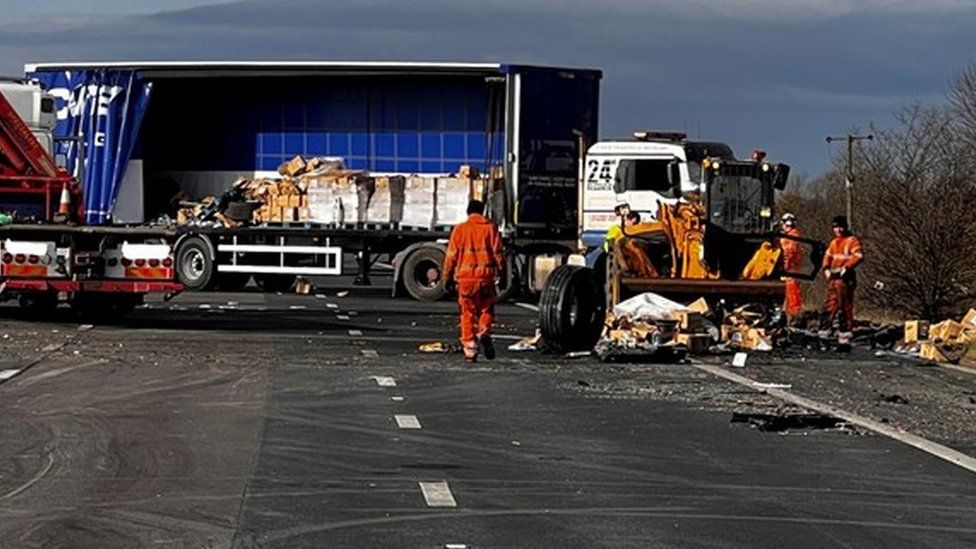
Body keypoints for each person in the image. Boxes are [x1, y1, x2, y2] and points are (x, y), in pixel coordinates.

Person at [441, 200, 505, 362]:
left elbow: (451, 256)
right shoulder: (491, 229)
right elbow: (498, 254)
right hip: (486, 278)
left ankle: (470, 349)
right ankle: (484, 332)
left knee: (467, 313)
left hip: (466, 279)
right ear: (483, 211)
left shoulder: (460, 230)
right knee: (486, 309)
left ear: (467, 211)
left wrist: (446, 278)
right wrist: (503, 274)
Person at [820, 215, 863, 346]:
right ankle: (824, 331)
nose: (838, 230)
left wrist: (847, 267)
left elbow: (858, 255)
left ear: (845, 227)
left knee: (844, 305)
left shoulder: (852, 241)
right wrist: (826, 268)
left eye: (840, 227)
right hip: (834, 277)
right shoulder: (834, 243)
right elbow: (827, 257)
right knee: (830, 304)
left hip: (845, 278)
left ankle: (844, 334)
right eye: (835, 227)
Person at [779, 213, 804, 322]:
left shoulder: (792, 236)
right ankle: (788, 314)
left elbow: (789, 253)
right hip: (790, 269)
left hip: (790, 270)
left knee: (792, 294)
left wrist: (784, 267)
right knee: (789, 295)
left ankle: (795, 317)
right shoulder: (789, 235)